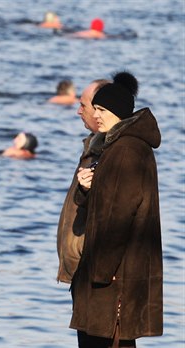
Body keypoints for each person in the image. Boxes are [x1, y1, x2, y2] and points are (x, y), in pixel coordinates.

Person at [72, 72, 163, 347]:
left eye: (100, 110)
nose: (95, 116)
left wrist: (100, 271)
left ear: (116, 111)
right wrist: (88, 190)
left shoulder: (125, 151)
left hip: (113, 280)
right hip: (111, 275)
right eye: (95, 109)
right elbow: (109, 204)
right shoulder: (118, 146)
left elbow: (119, 216)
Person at [56, 78, 110, 284]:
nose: (79, 111)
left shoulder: (110, 151)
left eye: (83, 105)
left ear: (100, 109)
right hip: (82, 269)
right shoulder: (92, 146)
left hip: (92, 269)